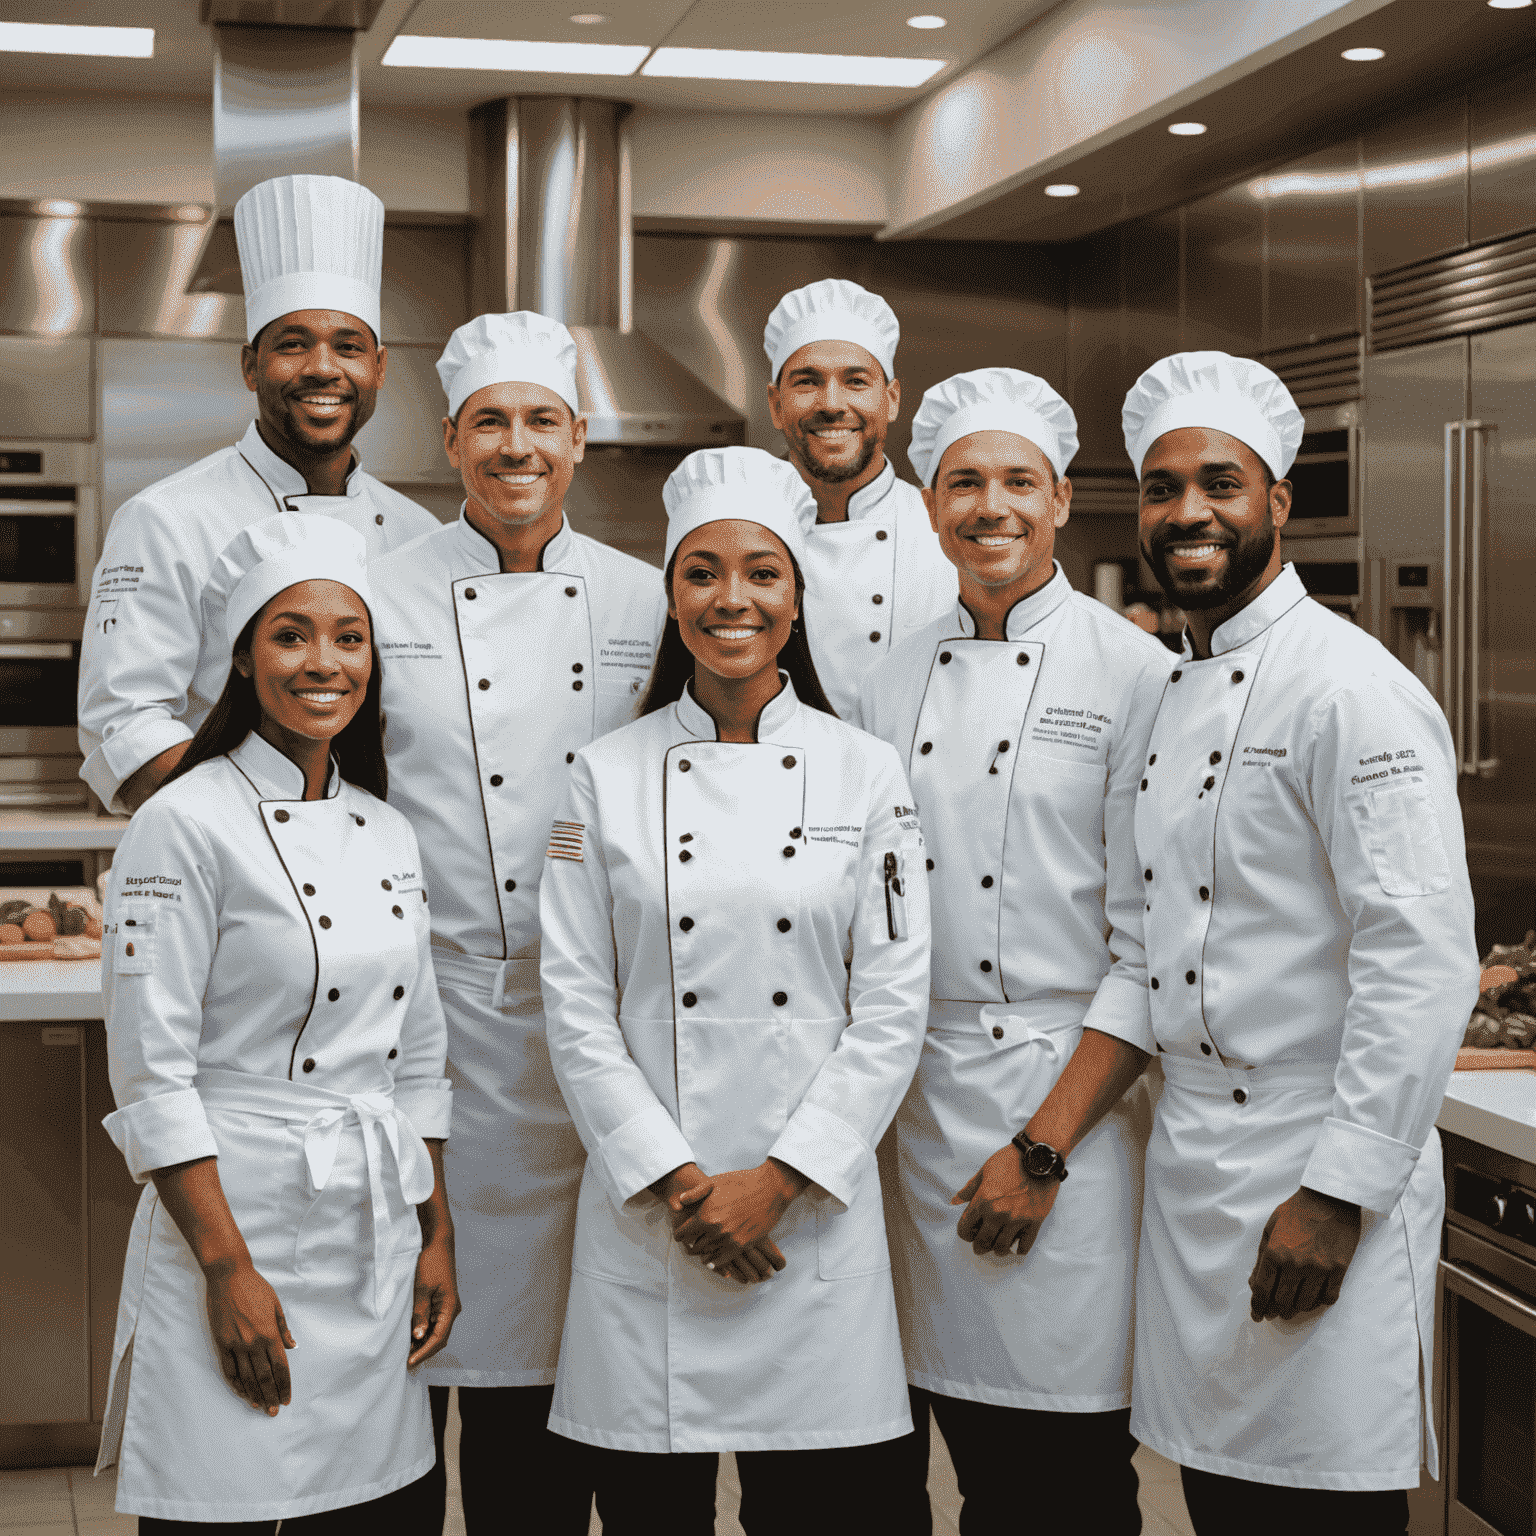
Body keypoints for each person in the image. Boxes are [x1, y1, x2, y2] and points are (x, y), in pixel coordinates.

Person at [538, 445, 932, 1534]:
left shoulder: (866, 770)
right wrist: (680, 1183)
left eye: (762, 571)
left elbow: (892, 1004)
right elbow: (573, 1002)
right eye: (701, 572)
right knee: (651, 1515)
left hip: (806, 1219)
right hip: (654, 1214)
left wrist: (780, 1180)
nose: (732, 598)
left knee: (820, 1515)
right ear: (671, 596)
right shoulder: (602, 775)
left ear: (798, 597)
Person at [1121, 351, 1478, 1534]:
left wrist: (1339, 1191)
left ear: (1278, 502)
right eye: (1163, 488)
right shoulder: (1181, 688)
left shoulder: (1347, 691)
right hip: (1199, 1175)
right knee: (1226, 1508)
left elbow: (1419, 958)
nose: (1189, 513)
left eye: (1220, 483)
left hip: (1314, 1164)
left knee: (1321, 1512)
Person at [854, 368, 1173, 1534]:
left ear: (1062, 502)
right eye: (964, 483)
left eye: (1017, 483)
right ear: (929, 505)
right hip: (908, 1110)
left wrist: (1041, 1150)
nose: (990, 507)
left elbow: (1150, 950)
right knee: (894, 1465)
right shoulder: (887, 683)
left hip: (1068, 1115)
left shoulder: (1137, 675)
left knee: (1060, 1484)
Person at [94, 514, 457, 1530]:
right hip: (235, 1211)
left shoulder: (385, 830)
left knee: (379, 1511)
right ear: (245, 660)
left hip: (371, 1230)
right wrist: (227, 1269)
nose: (324, 661)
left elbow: (416, 1053)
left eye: (349, 637)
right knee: (225, 1504)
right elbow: (151, 1073)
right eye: (290, 635)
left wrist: (437, 1235)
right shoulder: (183, 822)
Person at [367, 310, 666, 1532]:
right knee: (412, 1375)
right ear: (449, 439)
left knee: (566, 1391)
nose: (515, 445)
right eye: (491, 421)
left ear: (580, 439)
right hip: (426, 1025)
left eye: (540, 420)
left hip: (595, 1033)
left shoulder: (653, 600)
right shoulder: (373, 598)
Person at [78, 172, 438, 814]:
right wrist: (269, 833)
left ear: (378, 368)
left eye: (348, 347)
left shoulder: (418, 535)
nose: (324, 368)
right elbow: (126, 726)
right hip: (230, 874)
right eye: (293, 345)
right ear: (251, 366)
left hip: (390, 868)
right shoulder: (163, 519)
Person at [763, 278, 957, 717]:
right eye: (807, 382)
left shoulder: (948, 539)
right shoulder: (738, 538)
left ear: (890, 400)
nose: (831, 403)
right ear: (776, 405)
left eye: (855, 381)